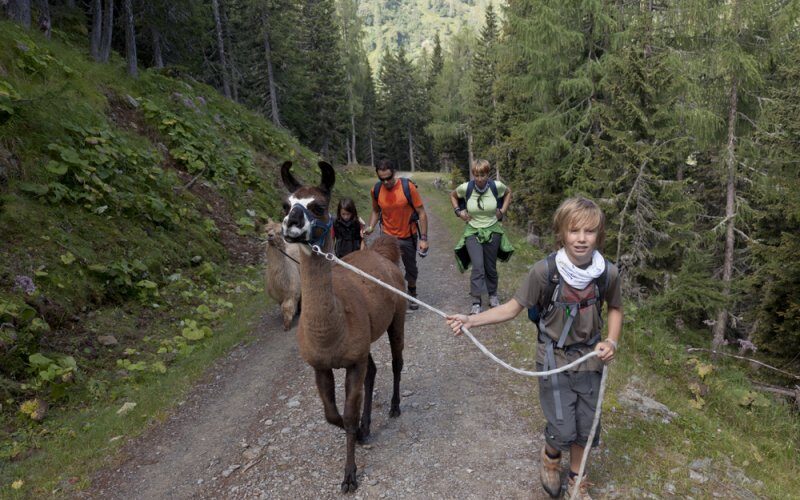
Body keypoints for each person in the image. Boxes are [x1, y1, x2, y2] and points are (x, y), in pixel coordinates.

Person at [445, 197, 622, 500]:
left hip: (591, 357)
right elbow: (511, 309)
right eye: (574, 230)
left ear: (599, 235)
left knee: (587, 424)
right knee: (563, 427)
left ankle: (577, 482)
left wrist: (612, 341)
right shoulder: (544, 272)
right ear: (561, 233)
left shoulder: (607, 273)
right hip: (554, 357)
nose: (581, 238)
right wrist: (471, 320)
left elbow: (616, 308)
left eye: (589, 232)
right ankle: (551, 458)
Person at [450, 160, 514, 315]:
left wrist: (502, 210)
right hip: (473, 231)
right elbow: (452, 195)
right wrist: (459, 212)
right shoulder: (466, 187)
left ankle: (492, 296)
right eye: (476, 175)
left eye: (483, 175)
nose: (479, 179)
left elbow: (508, 192)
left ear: (488, 174)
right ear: (473, 174)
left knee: (490, 266)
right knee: (478, 266)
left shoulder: (495, 186)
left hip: (493, 230)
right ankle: (476, 301)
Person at [365, 159, 429, 310]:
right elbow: (375, 211)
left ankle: (412, 293)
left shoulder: (408, 187)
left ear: (394, 173)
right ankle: (394, 298)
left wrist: (424, 239)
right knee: (388, 269)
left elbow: (421, 213)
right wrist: (371, 227)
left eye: (388, 178)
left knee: (410, 268)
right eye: (382, 179)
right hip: (387, 236)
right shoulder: (376, 190)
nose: (386, 182)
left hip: (408, 235)